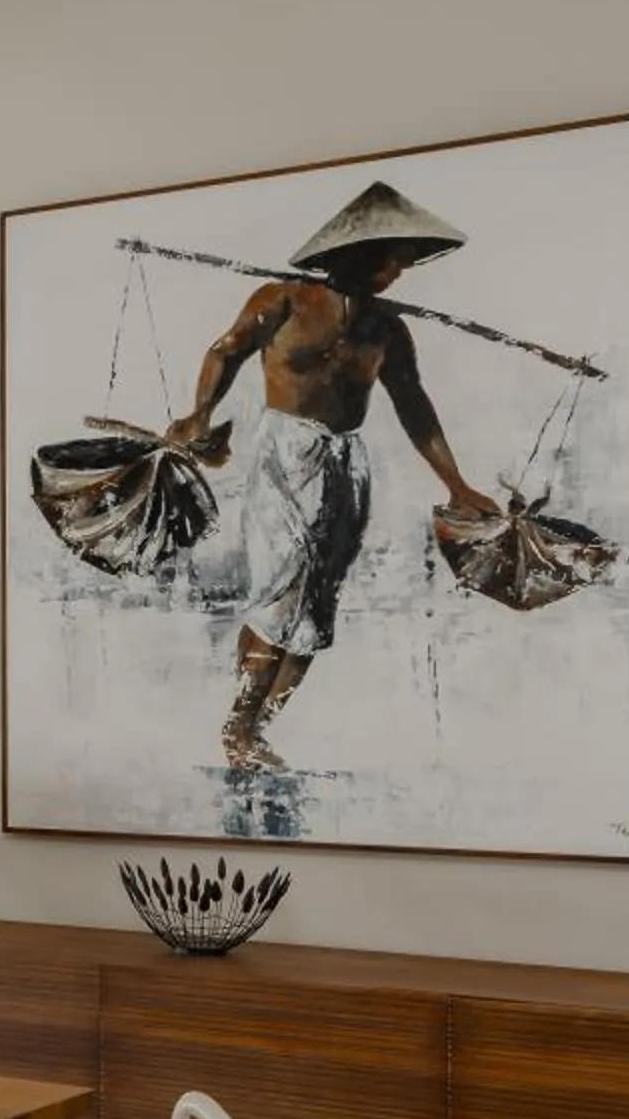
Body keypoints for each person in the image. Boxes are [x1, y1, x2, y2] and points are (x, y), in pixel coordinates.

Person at [161, 182, 503, 772]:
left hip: (345, 463)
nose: (398, 270)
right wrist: (200, 413)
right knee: (278, 593)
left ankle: (260, 730)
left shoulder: (386, 330)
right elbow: (226, 352)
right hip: (283, 454)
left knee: (316, 606)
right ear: (354, 254)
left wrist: (458, 484)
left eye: (403, 260)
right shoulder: (283, 301)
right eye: (390, 257)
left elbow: (413, 405)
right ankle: (239, 725)